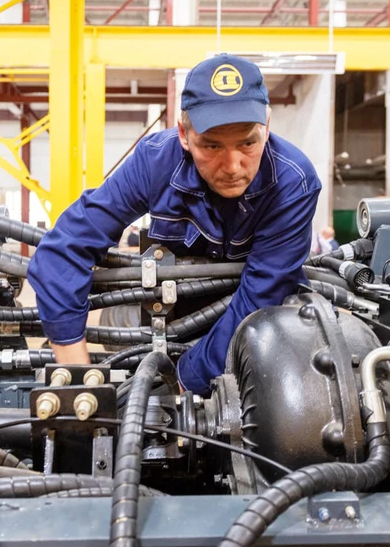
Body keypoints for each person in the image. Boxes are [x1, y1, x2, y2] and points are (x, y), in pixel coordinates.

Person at [27, 54, 321, 396]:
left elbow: (260, 299)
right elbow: (62, 252)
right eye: (211, 145)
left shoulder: (293, 183)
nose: (232, 165)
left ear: (267, 127)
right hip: (168, 321)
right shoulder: (155, 162)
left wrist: (182, 383)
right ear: (184, 134)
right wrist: (77, 375)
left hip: (251, 332)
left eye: (248, 143)